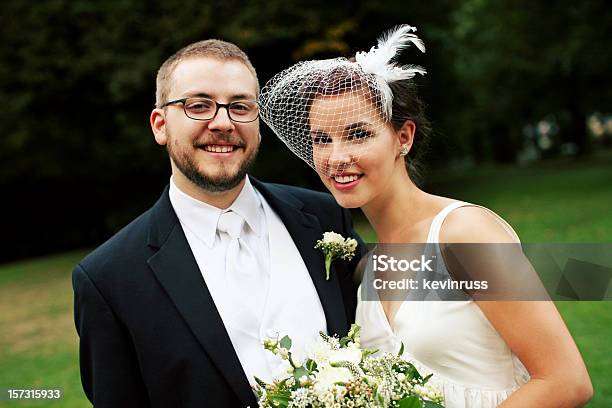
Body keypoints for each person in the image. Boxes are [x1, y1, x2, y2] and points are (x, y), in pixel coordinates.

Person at [259, 25, 593, 407]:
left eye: (357, 134)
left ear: (404, 137)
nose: (336, 158)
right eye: (322, 138)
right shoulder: (365, 268)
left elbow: (566, 381)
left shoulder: (465, 233)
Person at [72, 39, 365, 408]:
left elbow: (420, 299)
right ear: (160, 125)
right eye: (199, 106)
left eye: (240, 107)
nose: (223, 123)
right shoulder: (107, 279)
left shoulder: (324, 216)